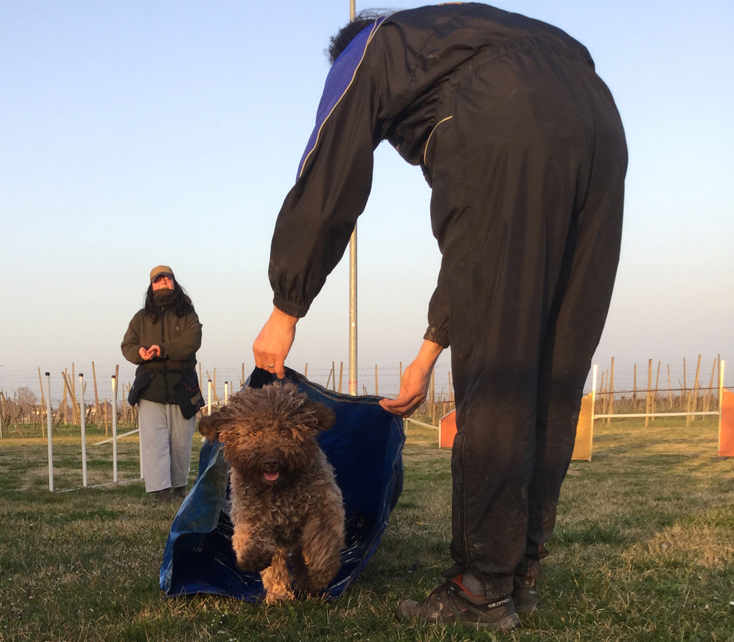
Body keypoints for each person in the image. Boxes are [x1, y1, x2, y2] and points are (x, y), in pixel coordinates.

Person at [253, 4, 626, 631]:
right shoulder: (459, 40)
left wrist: (286, 306)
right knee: (555, 365)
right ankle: (520, 569)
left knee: (502, 373)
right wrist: (428, 355)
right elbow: (475, 260)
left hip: (507, 110)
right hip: (599, 115)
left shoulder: (367, 46)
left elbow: (329, 170)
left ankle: (481, 587)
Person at [122, 266, 203, 504]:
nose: (163, 282)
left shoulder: (188, 314)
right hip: (150, 386)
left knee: (181, 442)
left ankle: (178, 489)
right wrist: (140, 352)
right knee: (154, 443)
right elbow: (127, 345)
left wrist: (163, 349)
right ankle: (159, 493)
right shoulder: (140, 317)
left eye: (166, 279)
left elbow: (192, 341)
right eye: (158, 280)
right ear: (152, 286)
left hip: (183, 386)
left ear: (174, 283)